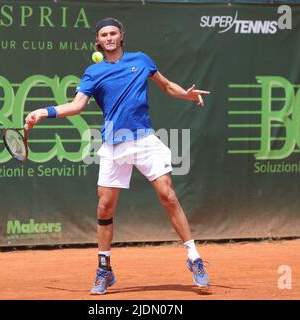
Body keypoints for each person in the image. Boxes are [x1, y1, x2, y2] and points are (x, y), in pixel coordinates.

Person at [25, 18, 211, 295]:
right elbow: (77, 106)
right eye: (104, 35)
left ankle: (194, 258)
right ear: (98, 42)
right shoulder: (94, 72)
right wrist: (45, 112)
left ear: (122, 36)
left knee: (168, 196)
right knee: (104, 208)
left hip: (144, 139)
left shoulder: (141, 60)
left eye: (113, 33)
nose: (109, 38)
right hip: (114, 145)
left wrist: (186, 94)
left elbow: (166, 85)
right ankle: (104, 269)